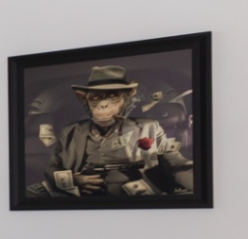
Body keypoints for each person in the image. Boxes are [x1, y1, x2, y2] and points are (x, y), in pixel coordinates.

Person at [43, 65, 194, 197]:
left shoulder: (150, 127)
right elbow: (52, 167)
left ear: (126, 100)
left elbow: (177, 163)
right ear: (86, 101)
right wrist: (72, 180)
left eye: (113, 97)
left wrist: (197, 184)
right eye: (95, 98)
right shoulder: (71, 131)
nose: (103, 105)